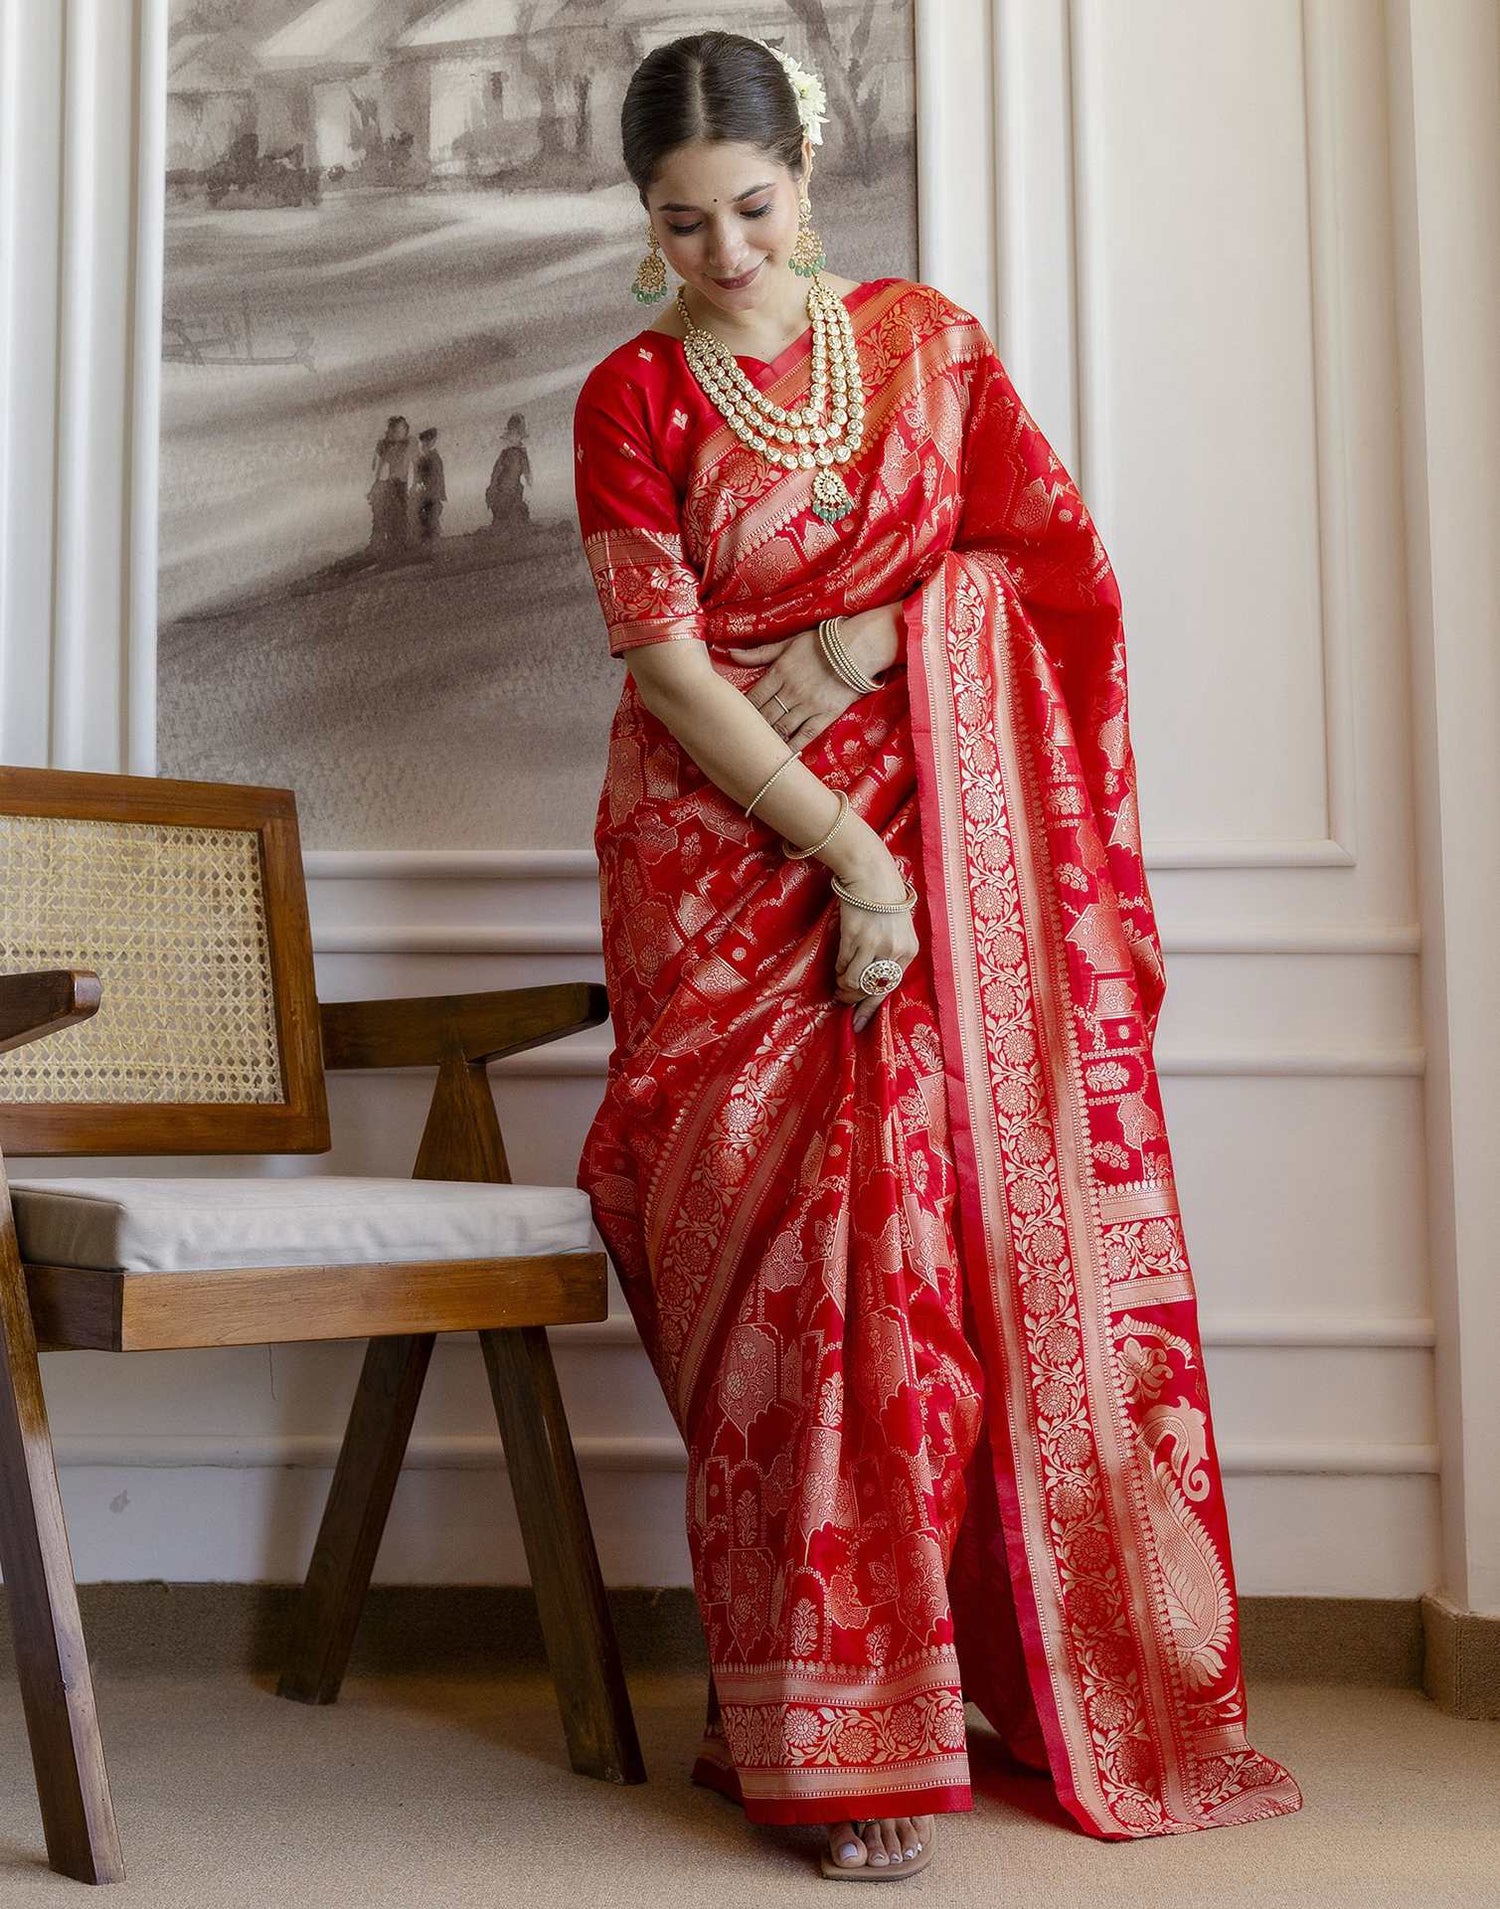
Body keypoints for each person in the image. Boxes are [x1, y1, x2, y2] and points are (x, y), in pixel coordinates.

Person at [570, 29, 1304, 1885]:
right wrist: (845, 858)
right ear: (642, 220)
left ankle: (932, 1694)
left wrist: (898, 634)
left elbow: (1048, 574)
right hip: (726, 873)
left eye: (751, 207)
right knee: (785, 1277)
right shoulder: (630, 394)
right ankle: (810, 1717)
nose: (724, 253)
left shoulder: (926, 348)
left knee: (920, 1260)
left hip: (949, 854)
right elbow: (666, 666)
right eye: (680, 223)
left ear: (805, 173)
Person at [367, 415, 412, 556]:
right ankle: (392, 544)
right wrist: (376, 484)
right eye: (396, 431)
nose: (399, 434)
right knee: (392, 513)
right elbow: (379, 467)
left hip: (402, 484)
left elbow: (415, 464)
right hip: (392, 483)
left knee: (401, 513)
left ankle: (399, 544)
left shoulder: (409, 444)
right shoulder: (388, 447)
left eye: (402, 430)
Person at [486, 412, 532, 526]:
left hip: (513, 491)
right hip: (501, 492)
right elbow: (496, 472)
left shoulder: (521, 454)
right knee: (504, 513)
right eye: (510, 435)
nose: (511, 438)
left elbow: (527, 470)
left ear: (519, 436)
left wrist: (529, 478)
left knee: (516, 513)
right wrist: (493, 487)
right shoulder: (505, 454)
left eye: (515, 435)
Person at [412, 426, 446, 547]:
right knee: (427, 518)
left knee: (431, 519)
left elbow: (436, 478)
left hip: (431, 493)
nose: (423, 445)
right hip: (428, 493)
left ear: (432, 442)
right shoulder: (426, 457)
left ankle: (433, 543)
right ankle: (429, 542)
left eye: (426, 442)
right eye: (423, 443)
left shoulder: (432, 458)